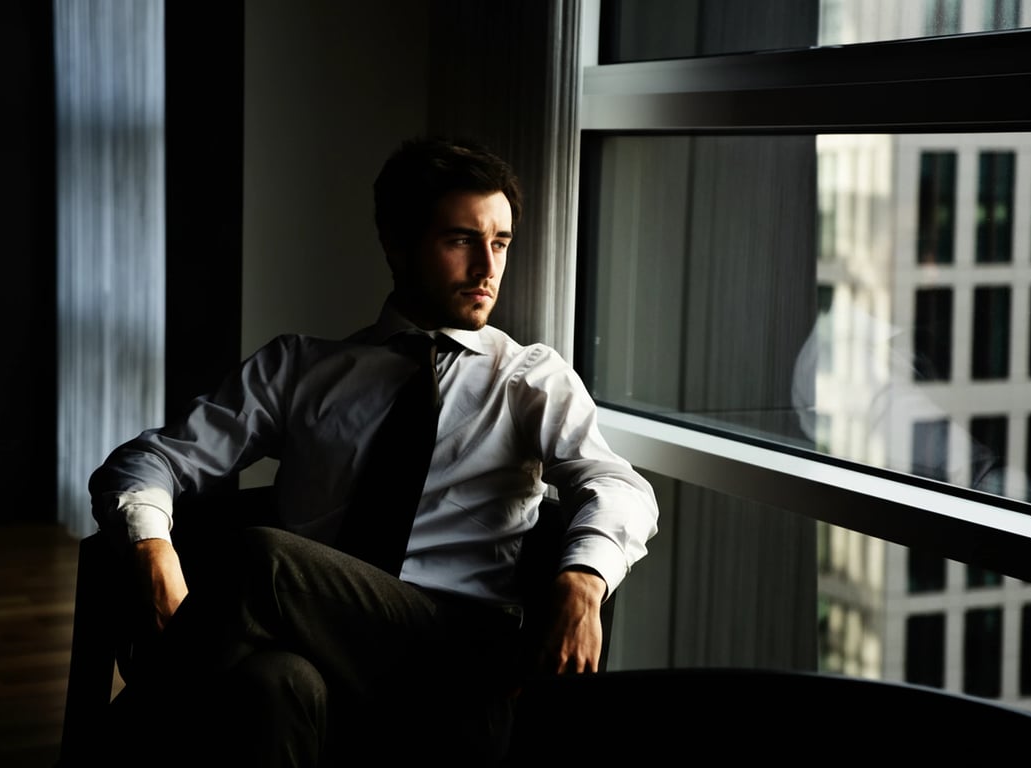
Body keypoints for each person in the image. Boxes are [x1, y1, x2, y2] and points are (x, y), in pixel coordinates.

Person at [89, 136, 659, 766]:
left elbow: (618, 486)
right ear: (396, 243)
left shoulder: (528, 378)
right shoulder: (301, 368)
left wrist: (583, 580)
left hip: (454, 667)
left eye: (499, 242)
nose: (487, 268)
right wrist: (150, 549)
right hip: (311, 649)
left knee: (262, 559)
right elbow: (150, 459)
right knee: (272, 683)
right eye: (461, 240)